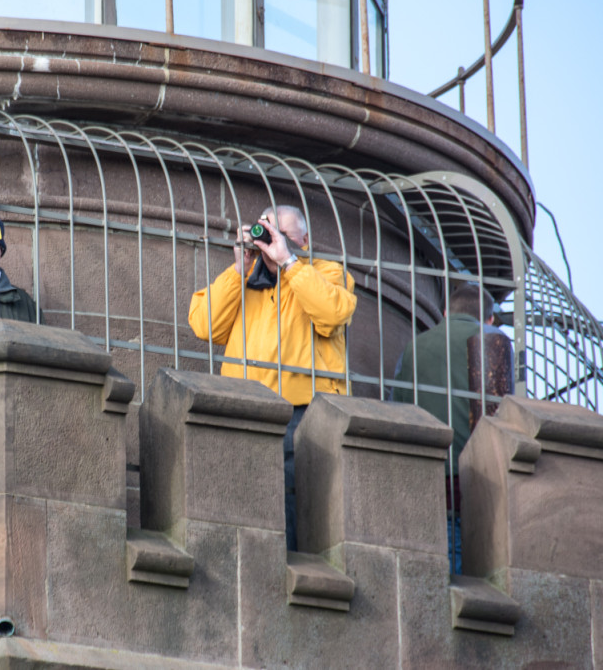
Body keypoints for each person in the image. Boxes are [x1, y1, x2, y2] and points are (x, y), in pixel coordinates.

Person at [188, 204, 357, 550]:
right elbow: (203, 324)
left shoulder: (326, 271)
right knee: (238, 499)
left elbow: (333, 313)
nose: (273, 242)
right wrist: (239, 269)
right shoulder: (244, 279)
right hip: (244, 407)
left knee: (294, 506)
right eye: (269, 234)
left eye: (285, 235)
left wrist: (289, 263)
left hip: (303, 412)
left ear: (304, 241)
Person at [392, 283, 514, 574]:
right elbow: (503, 411)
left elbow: (396, 403)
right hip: (475, 471)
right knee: (471, 561)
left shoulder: (414, 346)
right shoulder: (494, 339)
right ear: (489, 319)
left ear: (445, 313)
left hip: (423, 465)